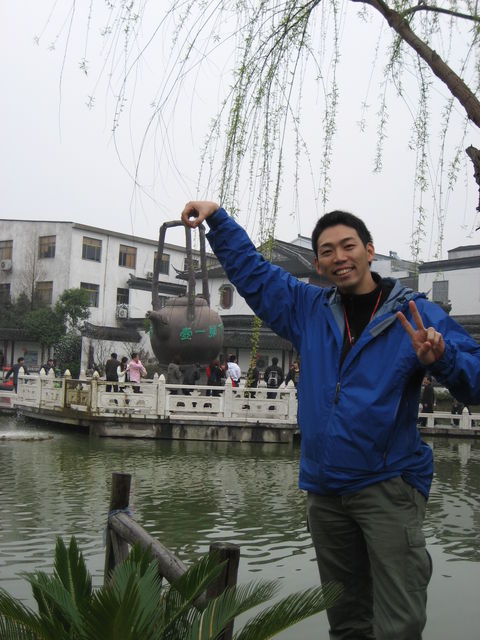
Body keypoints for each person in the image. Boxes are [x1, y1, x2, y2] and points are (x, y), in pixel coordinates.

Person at [181, 200, 480, 640]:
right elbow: (255, 275)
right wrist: (218, 220)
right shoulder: (309, 308)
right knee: (346, 621)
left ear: (369, 251)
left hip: (387, 485)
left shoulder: (414, 314)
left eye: (348, 246)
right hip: (324, 492)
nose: (339, 257)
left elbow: (475, 379)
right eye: (327, 251)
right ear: (318, 264)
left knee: (399, 623)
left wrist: (444, 357)